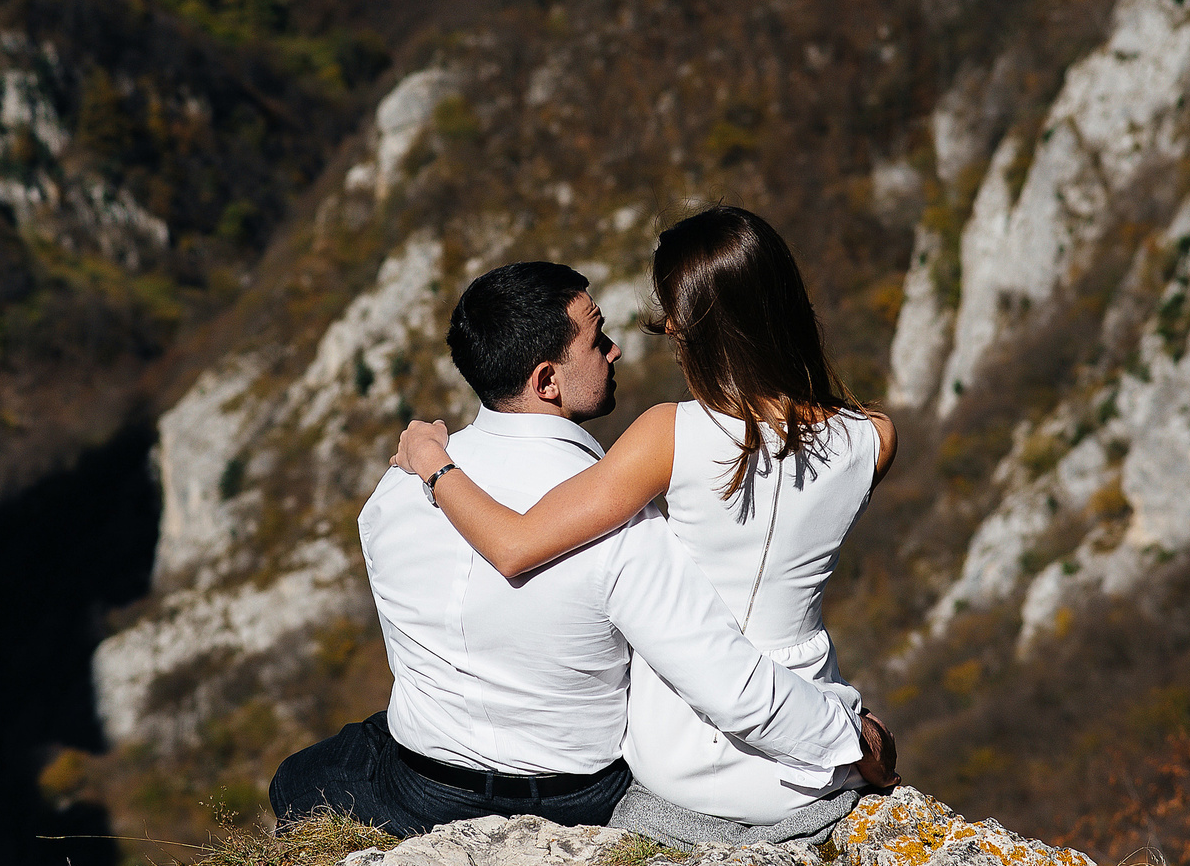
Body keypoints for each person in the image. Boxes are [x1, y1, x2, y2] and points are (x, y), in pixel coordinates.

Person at [267, 259, 897, 836]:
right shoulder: (624, 533)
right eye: (597, 339)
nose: (615, 348)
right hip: (571, 798)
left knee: (300, 777)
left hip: (422, 781)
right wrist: (847, 737)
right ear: (547, 382)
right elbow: (728, 682)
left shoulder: (396, 489)